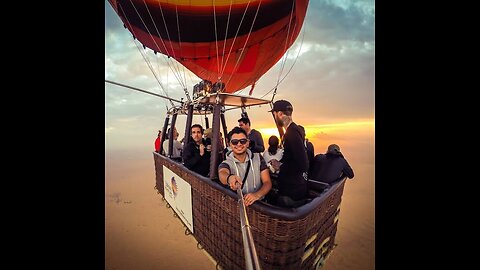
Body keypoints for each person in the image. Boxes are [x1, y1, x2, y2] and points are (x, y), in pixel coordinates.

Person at [218, 127, 272, 206]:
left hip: (260, 204)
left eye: (242, 141)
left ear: (248, 143)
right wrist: (230, 178)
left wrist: (257, 195)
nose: (239, 144)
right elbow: (222, 173)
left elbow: (267, 182)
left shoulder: (258, 158)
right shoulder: (227, 163)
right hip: (238, 206)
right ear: (230, 144)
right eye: (234, 142)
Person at [269, 100, 309, 207]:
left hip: (292, 191)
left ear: (280, 114)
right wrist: (280, 162)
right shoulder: (295, 130)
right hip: (296, 187)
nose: (275, 117)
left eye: (274, 114)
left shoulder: (292, 133)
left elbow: (303, 164)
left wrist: (280, 166)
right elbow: (293, 157)